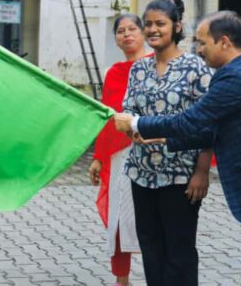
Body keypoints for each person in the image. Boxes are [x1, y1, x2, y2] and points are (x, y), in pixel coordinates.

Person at [114, 10, 241, 286]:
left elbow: (191, 120)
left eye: (203, 43)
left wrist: (138, 123)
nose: (199, 49)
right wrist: (163, 140)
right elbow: (210, 130)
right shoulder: (235, 73)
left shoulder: (236, 78)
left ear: (224, 42)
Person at [121, 0, 213, 286]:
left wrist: (202, 171)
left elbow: (209, 123)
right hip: (141, 172)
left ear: (176, 26)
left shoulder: (195, 67)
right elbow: (128, 113)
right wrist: (129, 129)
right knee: (151, 247)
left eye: (160, 23)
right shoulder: (138, 69)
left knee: (179, 250)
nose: (152, 29)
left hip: (181, 175)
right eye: (148, 24)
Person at [88, 14, 147, 286]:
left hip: (150, 151)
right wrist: (99, 158)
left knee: (149, 218)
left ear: (143, 33)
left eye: (132, 28)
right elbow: (107, 118)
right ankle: (121, 279)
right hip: (118, 155)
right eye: (121, 31)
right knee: (119, 218)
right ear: (116, 39)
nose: (126, 34)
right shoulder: (113, 73)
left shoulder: (155, 66)